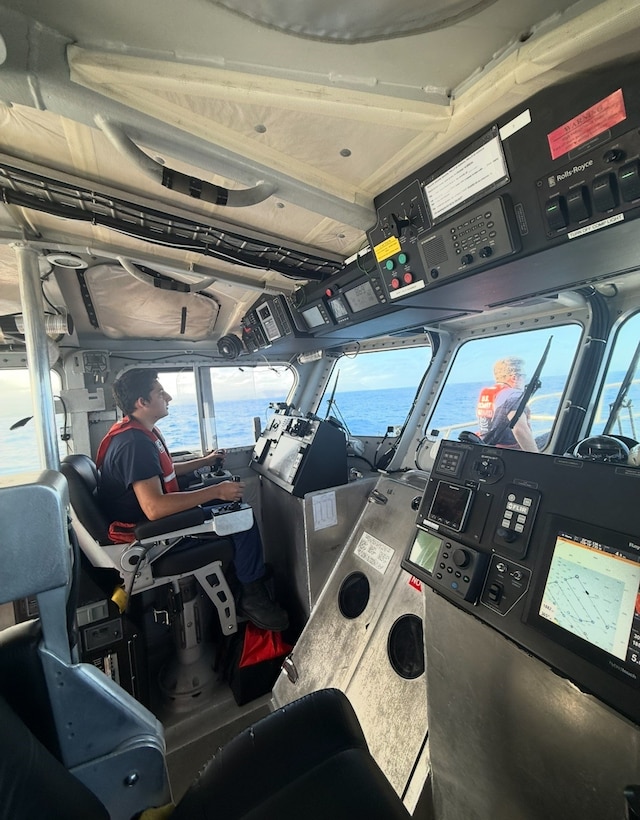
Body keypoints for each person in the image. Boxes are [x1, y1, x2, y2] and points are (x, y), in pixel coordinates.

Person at [97, 368, 288, 632]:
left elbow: (162, 471)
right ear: (142, 402)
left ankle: (247, 577)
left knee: (234, 509)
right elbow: (154, 508)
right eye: (160, 393)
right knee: (241, 518)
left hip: (153, 522)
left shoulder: (136, 433)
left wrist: (205, 461)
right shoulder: (135, 445)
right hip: (153, 536)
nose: (168, 397)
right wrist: (215, 491)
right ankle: (252, 596)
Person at [476, 357, 538, 452]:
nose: (524, 380)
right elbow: (520, 430)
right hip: (511, 450)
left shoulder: (488, 393)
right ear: (514, 378)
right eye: (523, 376)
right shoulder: (513, 396)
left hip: (488, 446)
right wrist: (536, 457)